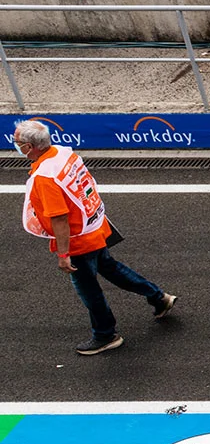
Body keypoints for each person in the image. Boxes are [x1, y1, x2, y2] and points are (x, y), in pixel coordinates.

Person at [12, 119, 176, 355]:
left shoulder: (45, 178)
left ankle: (105, 334)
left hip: (79, 240)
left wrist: (63, 254)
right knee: (112, 269)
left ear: (29, 147)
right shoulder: (63, 154)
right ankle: (158, 297)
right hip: (95, 228)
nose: (15, 146)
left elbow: (59, 218)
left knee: (89, 289)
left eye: (17, 142)